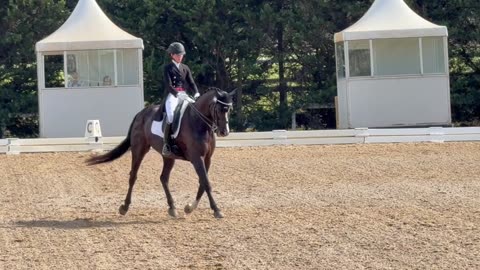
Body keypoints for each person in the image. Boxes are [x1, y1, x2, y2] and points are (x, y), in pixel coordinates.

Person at [162, 42, 200, 156]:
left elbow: (191, 82)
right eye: (178, 55)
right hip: (173, 95)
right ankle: (167, 144)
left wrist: (197, 93)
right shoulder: (167, 68)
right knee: (171, 116)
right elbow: (168, 85)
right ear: (172, 55)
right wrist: (177, 94)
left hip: (184, 94)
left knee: (195, 112)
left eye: (181, 55)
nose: (180, 57)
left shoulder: (185, 68)